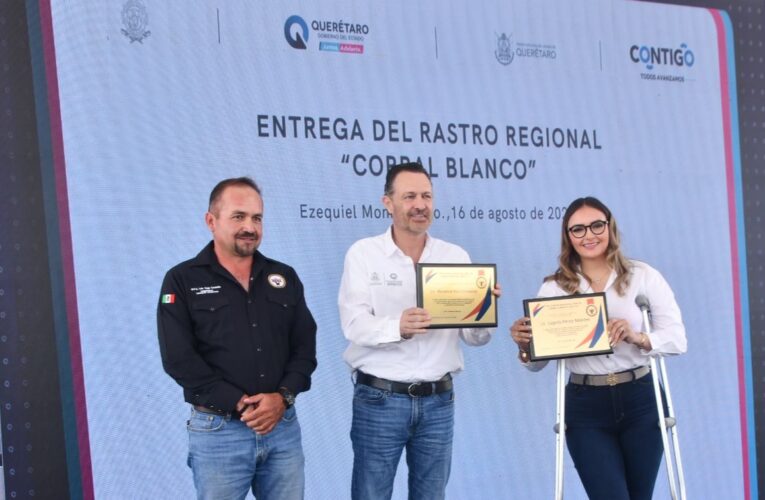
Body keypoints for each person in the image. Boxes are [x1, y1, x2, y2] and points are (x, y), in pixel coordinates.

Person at [338, 162, 501, 500]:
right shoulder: (364, 253)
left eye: (426, 196)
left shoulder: (455, 256)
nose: (420, 204)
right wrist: (396, 326)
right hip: (379, 400)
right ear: (388, 202)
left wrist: (483, 312)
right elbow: (353, 324)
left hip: (438, 402)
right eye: (409, 196)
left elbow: (475, 337)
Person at [509, 196, 687, 500]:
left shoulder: (642, 276)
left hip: (641, 398)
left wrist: (638, 337)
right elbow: (537, 363)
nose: (588, 235)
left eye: (596, 225)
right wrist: (526, 346)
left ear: (610, 227)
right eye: (577, 229)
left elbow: (676, 338)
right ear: (568, 237)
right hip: (586, 404)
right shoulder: (554, 288)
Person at [157, 177, 317, 500]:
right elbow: (178, 358)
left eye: (257, 218)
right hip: (219, 433)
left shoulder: (284, 277)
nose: (250, 226)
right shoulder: (181, 280)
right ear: (211, 221)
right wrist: (239, 402)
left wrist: (282, 397)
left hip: (281, 429)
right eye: (239, 217)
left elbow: (305, 346)